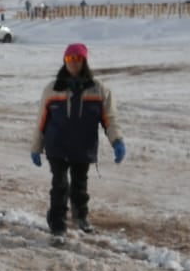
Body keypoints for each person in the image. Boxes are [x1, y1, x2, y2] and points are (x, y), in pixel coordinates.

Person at [28, 42, 125, 236]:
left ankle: (80, 216)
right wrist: (36, 147)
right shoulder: (52, 89)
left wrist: (117, 141)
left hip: (83, 146)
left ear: (84, 61)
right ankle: (58, 224)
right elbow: (42, 121)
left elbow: (110, 119)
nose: (73, 63)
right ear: (65, 61)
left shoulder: (98, 90)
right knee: (60, 185)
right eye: (70, 59)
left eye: (77, 59)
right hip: (58, 146)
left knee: (80, 185)